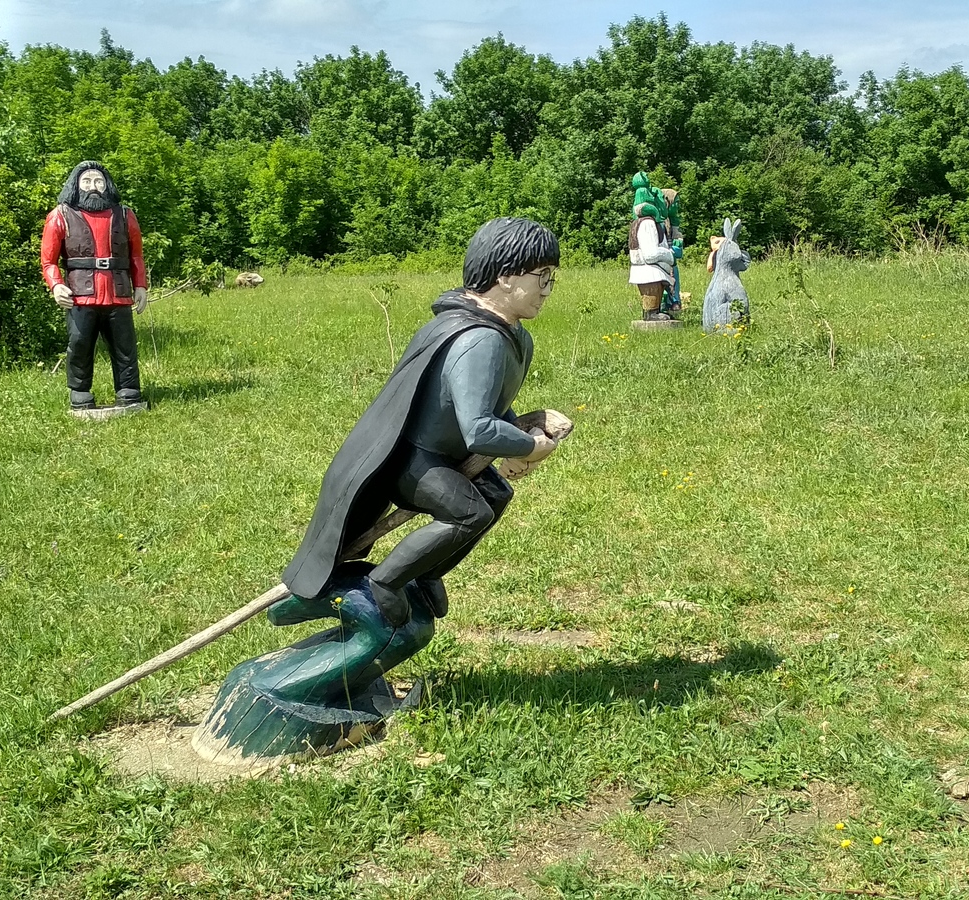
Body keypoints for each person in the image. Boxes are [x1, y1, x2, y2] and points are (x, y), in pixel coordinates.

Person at [281, 217, 562, 627]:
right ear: (504, 276)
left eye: (551, 277)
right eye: (542, 276)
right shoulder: (479, 339)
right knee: (469, 513)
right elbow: (480, 428)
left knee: (496, 495)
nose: (547, 289)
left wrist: (515, 441)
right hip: (411, 461)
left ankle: (427, 570)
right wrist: (530, 446)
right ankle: (387, 582)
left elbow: (493, 407)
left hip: (446, 454)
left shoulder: (511, 334)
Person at [40, 161, 149, 411]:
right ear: (76, 185)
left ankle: (128, 389)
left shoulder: (124, 215)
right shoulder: (60, 215)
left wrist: (140, 285)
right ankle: (80, 391)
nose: (93, 187)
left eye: (98, 181)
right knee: (79, 343)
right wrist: (56, 285)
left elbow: (136, 256)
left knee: (125, 344)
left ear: (107, 185)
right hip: (80, 295)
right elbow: (48, 260)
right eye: (87, 181)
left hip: (118, 293)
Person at [628, 190, 676, 322]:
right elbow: (650, 254)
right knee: (651, 290)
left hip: (653, 270)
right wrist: (669, 255)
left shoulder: (648, 222)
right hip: (648, 270)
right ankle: (651, 313)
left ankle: (655, 311)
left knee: (656, 290)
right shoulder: (647, 223)